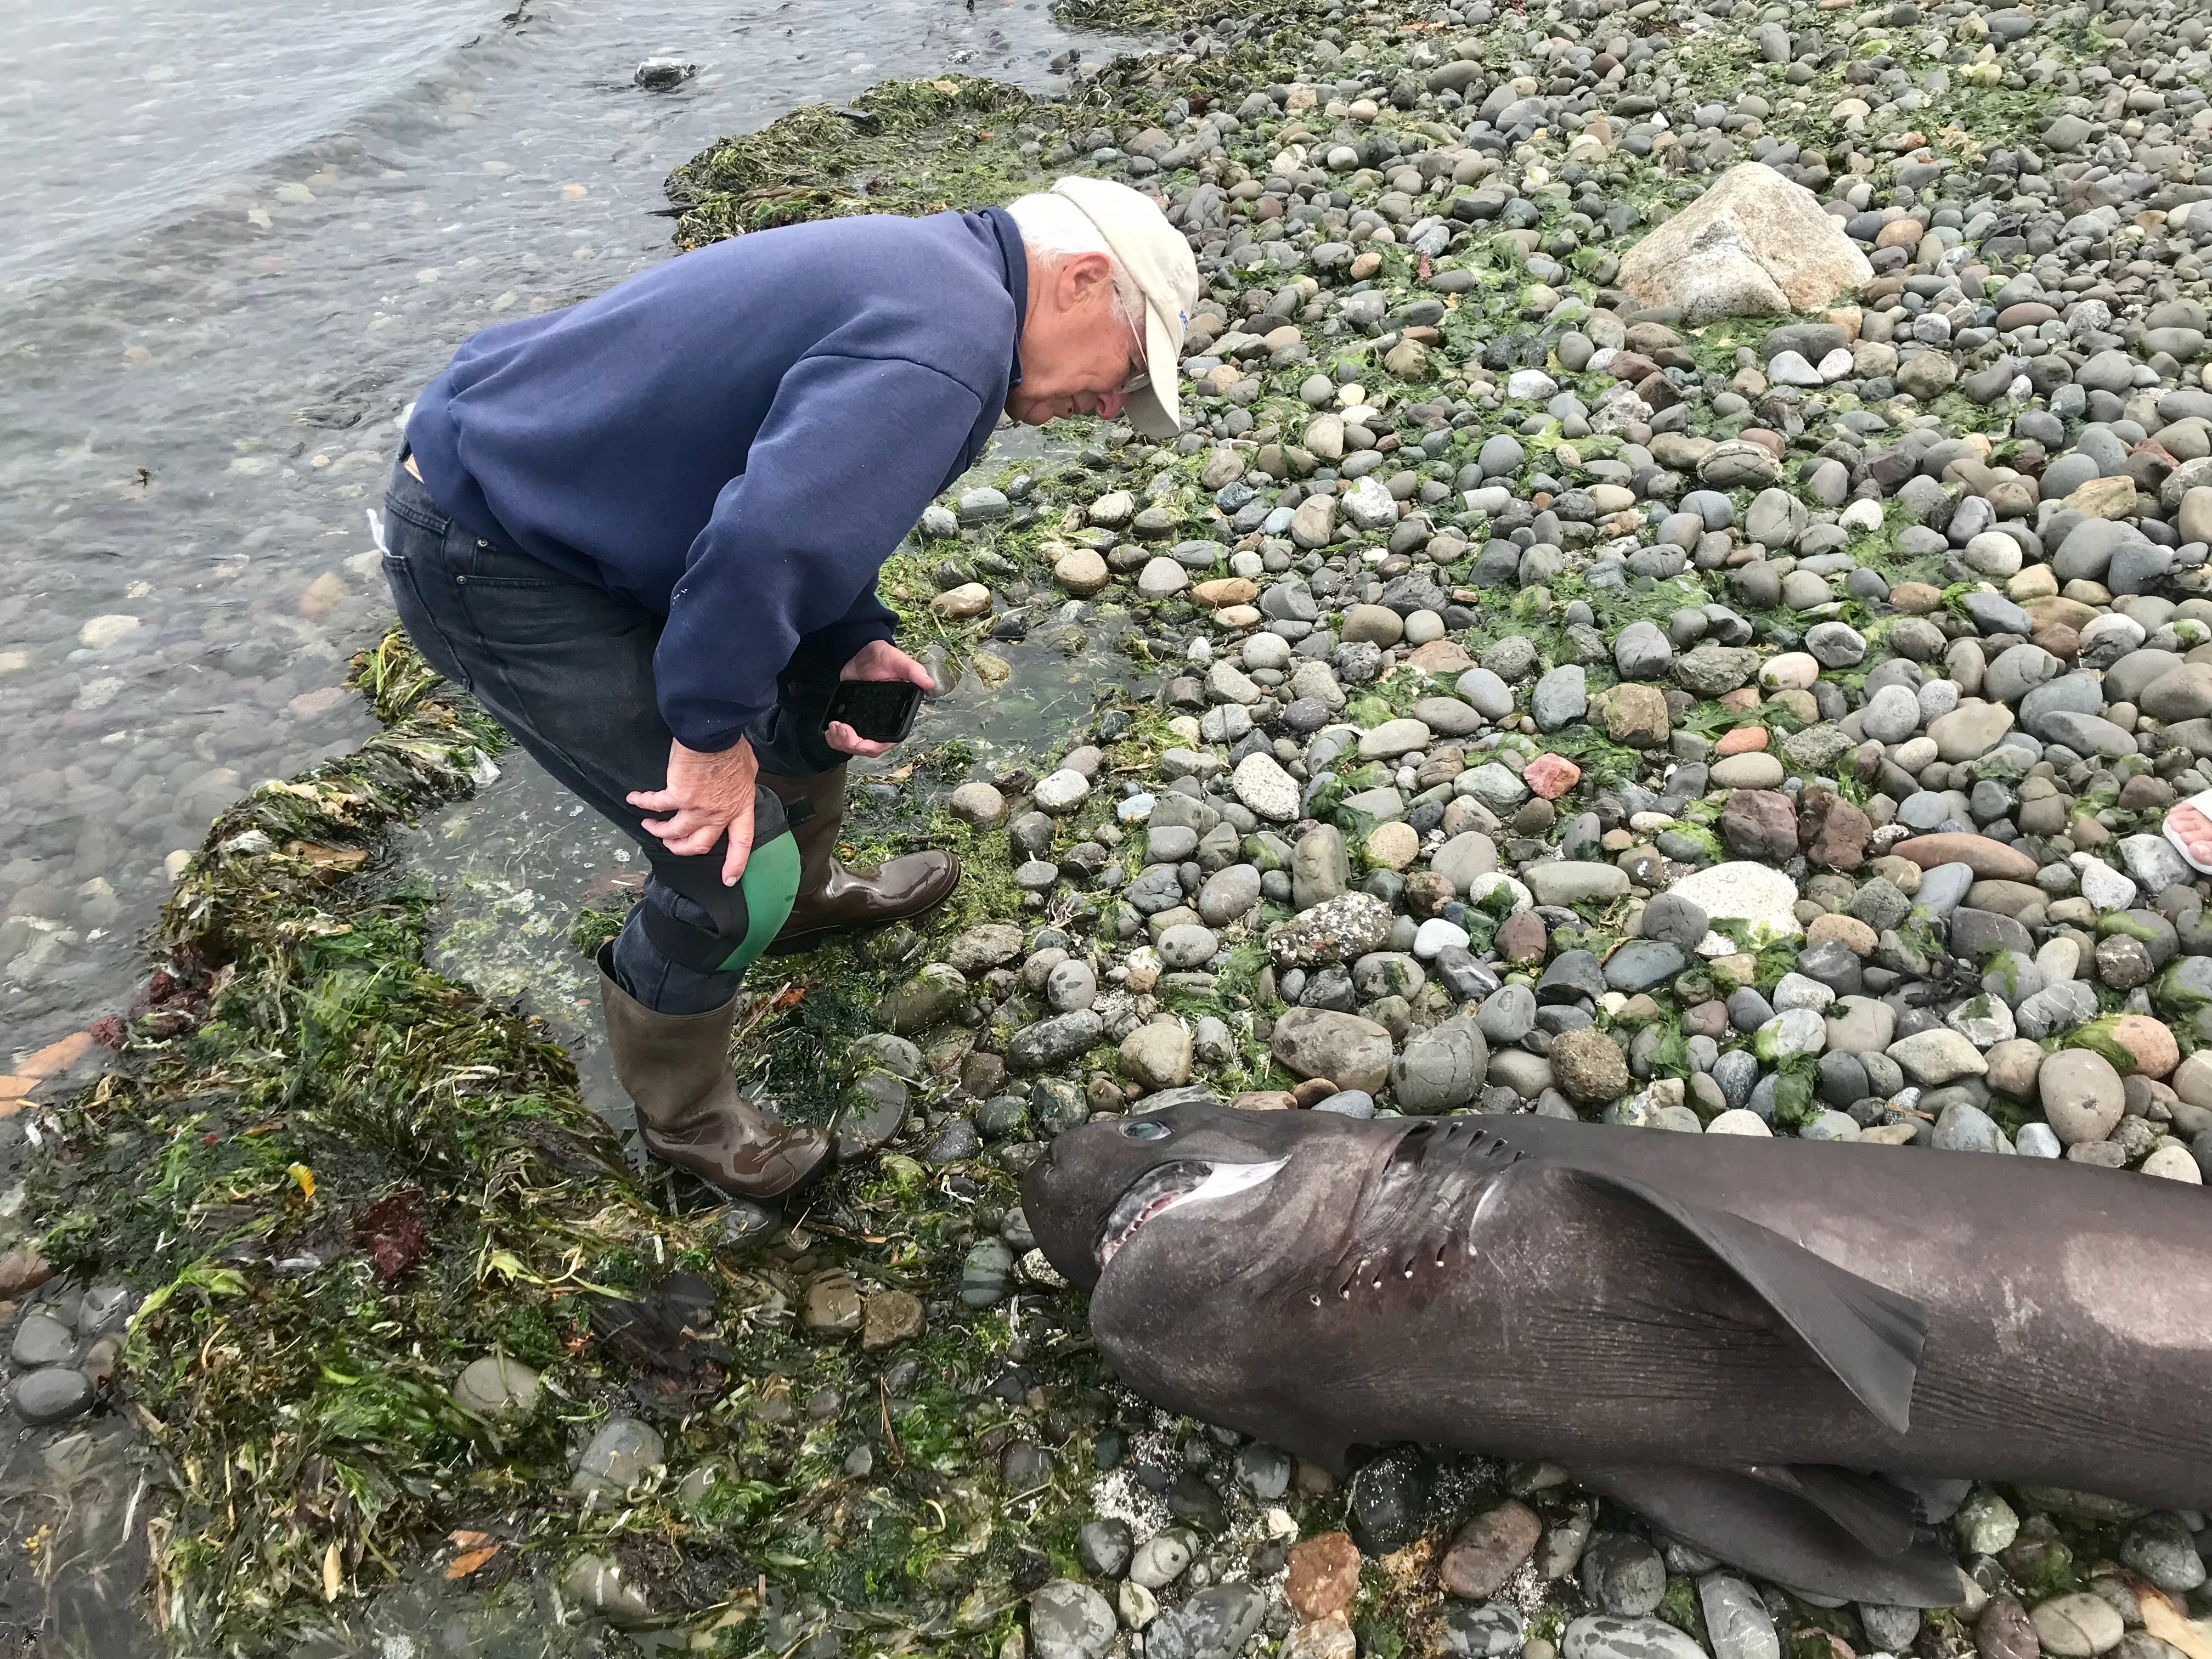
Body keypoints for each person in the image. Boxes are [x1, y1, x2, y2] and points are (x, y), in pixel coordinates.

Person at [380, 177, 1199, 1200]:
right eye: (1127, 373)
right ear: (1082, 279)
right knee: (728, 860)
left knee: (815, 690)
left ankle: (804, 900)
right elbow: (768, 540)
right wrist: (711, 739)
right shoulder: (947, 343)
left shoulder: (945, 283)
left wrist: (848, 635)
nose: (1112, 407)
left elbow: (792, 495)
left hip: (587, 496)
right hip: (497, 549)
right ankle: (685, 1115)